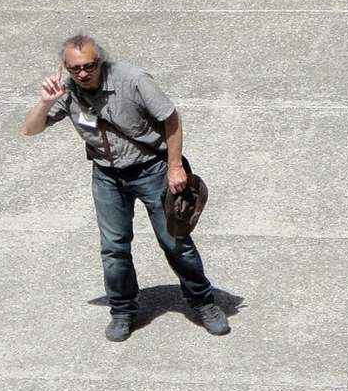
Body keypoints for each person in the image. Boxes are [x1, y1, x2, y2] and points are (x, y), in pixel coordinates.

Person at [21, 35, 229, 342]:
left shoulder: (133, 80)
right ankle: (122, 310)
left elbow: (171, 119)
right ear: (65, 67)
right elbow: (30, 129)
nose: (83, 73)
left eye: (89, 66)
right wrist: (46, 102)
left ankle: (203, 302)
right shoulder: (66, 91)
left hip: (151, 169)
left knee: (175, 241)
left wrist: (174, 167)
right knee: (114, 248)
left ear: (101, 62)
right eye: (75, 68)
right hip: (107, 175)